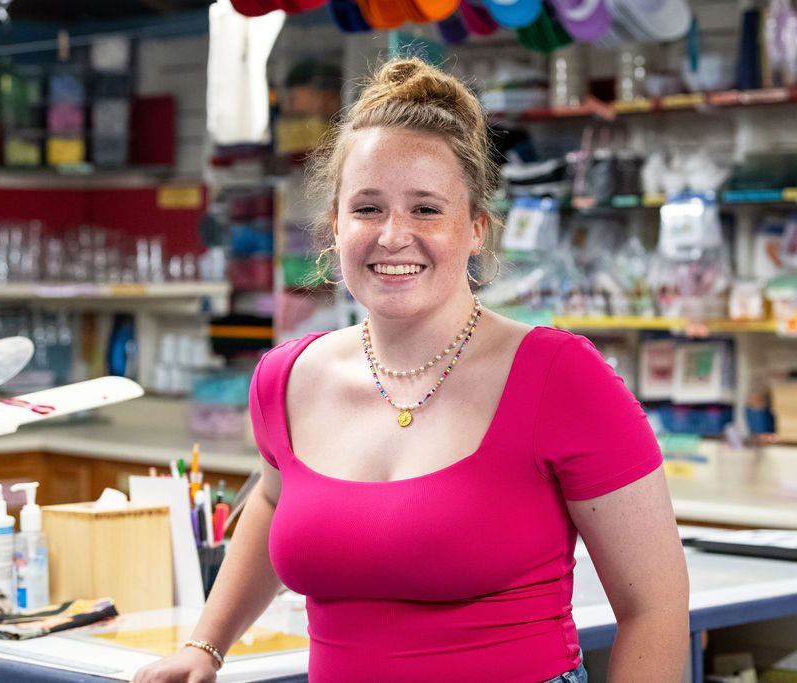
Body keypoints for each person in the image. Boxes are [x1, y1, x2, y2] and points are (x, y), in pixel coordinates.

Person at [133, 57, 689, 683]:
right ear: (335, 227)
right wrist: (205, 646)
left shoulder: (560, 377)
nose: (393, 235)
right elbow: (272, 499)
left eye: (426, 209)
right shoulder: (287, 379)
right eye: (367, 208)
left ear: (476, 228)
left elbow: (655, 608)